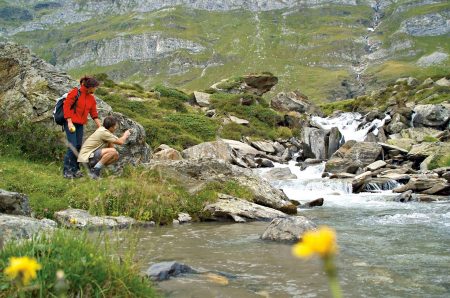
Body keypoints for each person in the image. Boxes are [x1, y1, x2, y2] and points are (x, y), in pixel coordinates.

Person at [63, 76, 101, 178]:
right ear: (90, 87)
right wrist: (69, 122)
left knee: (79, 147)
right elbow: (66, 106)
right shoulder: (75, 93)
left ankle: (75, 171)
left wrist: (100, 126)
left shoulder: (91, 98)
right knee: (73, 146)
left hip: (80, 125)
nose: (96, 89)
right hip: (70, 123)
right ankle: (67, 171)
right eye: (95, 87)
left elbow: (94, 114)